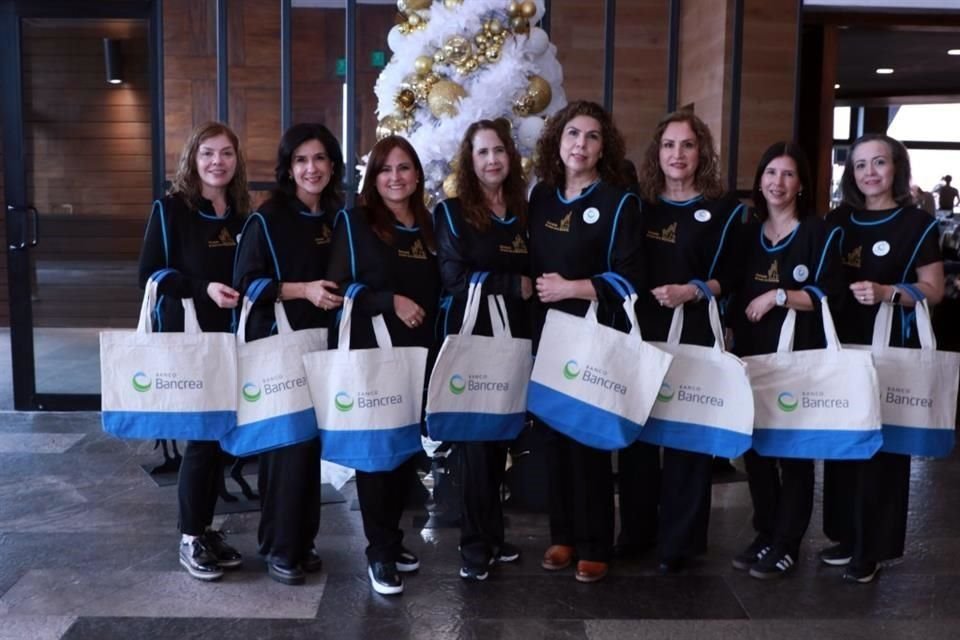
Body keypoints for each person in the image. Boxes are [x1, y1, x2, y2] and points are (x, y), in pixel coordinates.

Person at [528, 100, 644, 584]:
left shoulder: (620, 203)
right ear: (558, 141)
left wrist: (570, 288)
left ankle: (595, 543)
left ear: (604, 148)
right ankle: (563, 536)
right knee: (554, 439)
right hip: (546, 336)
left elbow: (630, 279)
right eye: (573, 134)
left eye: (592, 136)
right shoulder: (541, 198)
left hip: (594, 336)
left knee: (588, 443)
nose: (581, 144)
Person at [822, 133, 944, 584]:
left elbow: (933, 290)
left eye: (879, 163)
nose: (870, 173)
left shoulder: (917, 225)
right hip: (842, 345)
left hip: (890, 347)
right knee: (842, 441)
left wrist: (888, 293)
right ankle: (844, 535)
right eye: (860, 165)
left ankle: (871, 547)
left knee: (881, 450)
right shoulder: (838, 221)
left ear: (897, 167)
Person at [627, 110, 744, 574]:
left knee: (685, 442)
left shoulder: (724, 211)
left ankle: (679, 543)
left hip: (695, 331)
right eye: (669, 145)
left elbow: (732, 277)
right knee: (637, 440)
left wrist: (693, 290)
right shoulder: (639, 207)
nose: (678, 154)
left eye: (688, 145)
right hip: (643, 335)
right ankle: (635, 534)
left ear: (702, 153)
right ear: (658, 153)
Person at [233, 123, 345, 585]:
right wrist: (304, 291)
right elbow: (246, 286)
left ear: (332, 165)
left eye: (319, 159)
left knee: (311, 448)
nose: (311, 168)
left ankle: (303, 540)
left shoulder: (339, 216)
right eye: (301, 160)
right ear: (288, 167)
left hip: (327, 347)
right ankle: (278, 546)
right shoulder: (267, 219)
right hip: (281, 347)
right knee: (285, 450)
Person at [327, 135, 440, 596]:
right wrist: (389, 301)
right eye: (385, 169)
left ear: (417, 175)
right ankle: (378, 553)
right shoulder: (356, 223)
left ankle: (392, 540)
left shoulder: (430, 227)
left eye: (404, 168)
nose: (396, 177)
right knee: (377, 457)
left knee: (404, 452)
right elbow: (337, 289)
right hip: (374, 353)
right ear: (374, 178)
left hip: (421, 355)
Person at [138, 121, 249, 581]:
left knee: (223, 438)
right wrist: (203, 289)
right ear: (192, 158)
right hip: (192, 339)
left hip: (236, 338)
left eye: (225, 153)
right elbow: (150, 276)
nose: (217, 162)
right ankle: (190, 535)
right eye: (207, 153)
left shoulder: (242, 213)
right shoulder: (171, 210)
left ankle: (204, 528)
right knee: (204, 439)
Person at [727, 142, 843, 579]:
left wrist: (778, 296)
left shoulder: (819, 233)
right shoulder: (746, 233)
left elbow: (829, 295)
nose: (778, 182)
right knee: (755, 451)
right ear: (760, 181)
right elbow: (736, 294)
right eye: (771, 172)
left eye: (788, 174)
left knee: (793, 454)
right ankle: (765, 531)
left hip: (798, 359)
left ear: (801, 185)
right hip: (752, 358)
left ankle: (787, 542)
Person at [434, 119, 532, 582]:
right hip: (472, 340)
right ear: (469, 162)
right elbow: (453, 280)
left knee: (498, 441)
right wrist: (515, 284)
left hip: (513, 341)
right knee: (474, 444)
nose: (492, 159)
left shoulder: (523, 211)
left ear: (510, 157)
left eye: (498, 151)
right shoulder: (451, 213)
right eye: (481, 153)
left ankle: (493, 534)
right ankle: (473, 547)